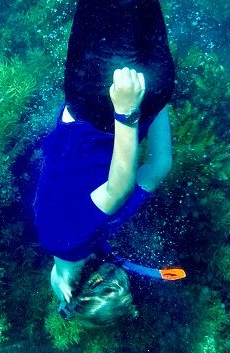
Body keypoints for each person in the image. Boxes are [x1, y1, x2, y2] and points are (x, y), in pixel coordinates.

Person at [33, 0, 175, 323]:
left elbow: (160, 165)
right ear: (68, 294)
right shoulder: (61, 238)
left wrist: (150, 101)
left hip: (151, 91)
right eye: (63, 308)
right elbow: (118, 189)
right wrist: (125, 109)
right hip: (100, 92)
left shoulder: (104, 233)